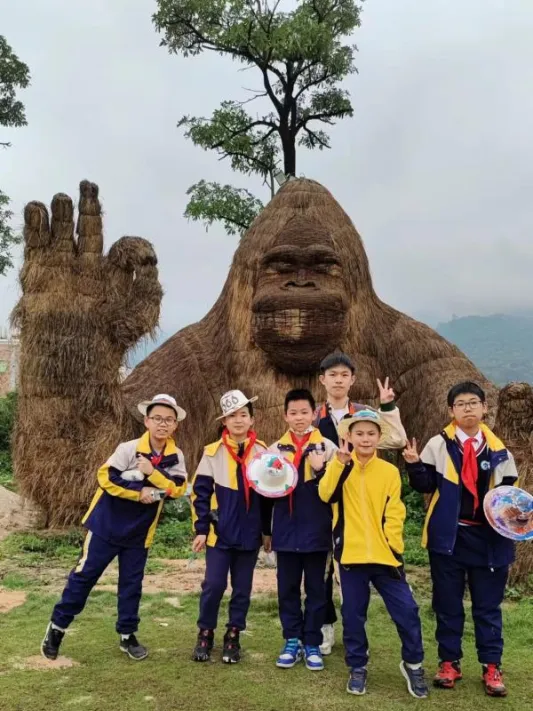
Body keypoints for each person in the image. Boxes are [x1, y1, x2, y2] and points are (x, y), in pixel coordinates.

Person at [41, 394, 188, 661]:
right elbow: (105, 477)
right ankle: (57, 628)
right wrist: (138, 492)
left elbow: (177, 489)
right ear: (146, 421)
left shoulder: (175, 456)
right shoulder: (128, 448)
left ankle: (127, 635)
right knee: (84, 577)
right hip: (106, 525)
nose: (162, 424)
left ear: (175, 425)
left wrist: (152, 474)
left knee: (131, 584)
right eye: (157, 418)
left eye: (169, 420)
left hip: (140, 532)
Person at [403, 381, 518, 697]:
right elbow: (424, 486)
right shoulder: (438, 445)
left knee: (488, 607)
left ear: (484, 408)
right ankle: (448, 663)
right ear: (451, 410)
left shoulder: (500, 451)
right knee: (447, 604)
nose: (468, 408)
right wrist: (413, 465)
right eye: (461, 404)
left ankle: (491, 666)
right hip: (449, 537)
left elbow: (510, 497)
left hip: (490, 540)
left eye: (473, 403)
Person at [319, 409, 429, 698]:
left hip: (386, 557)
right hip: (350, 557)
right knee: (353, 615)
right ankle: (357, 666)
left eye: (371, 433)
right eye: (359, 433)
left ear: (379, 437)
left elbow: (395, 511)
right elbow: (325, 494)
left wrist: (393, 545)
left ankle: (413, 664)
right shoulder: (339, 465)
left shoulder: (389, 471)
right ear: (349, 436)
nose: (365, 439)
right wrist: (338, 465)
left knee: (407, 611)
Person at [314, 351, 407, 655]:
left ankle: (354, 631)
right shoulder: (314, 416)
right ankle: (325, 627)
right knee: (322, 571)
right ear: (322, 380)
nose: (338, 380)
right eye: (332, 375)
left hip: (356, 505)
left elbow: (396, 440)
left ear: (353, 380)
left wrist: (387, 407)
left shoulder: (365, 412)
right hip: (322, 501)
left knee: (350, 573)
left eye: (344, 375)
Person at [190, 390, 270, 664]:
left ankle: (233, 634)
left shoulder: (263, 453)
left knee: (242, 588)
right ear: (224, 421)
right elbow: (200, 494)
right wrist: (202, 529)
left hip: (250, 534)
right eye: (232, 416)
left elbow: (269, 497)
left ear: (252, 419)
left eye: (243, 415)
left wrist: (267, 531)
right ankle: (205, 632)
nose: (238, 420)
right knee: (213, 585)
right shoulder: (212, 453)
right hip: (219, 534)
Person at [268, 388, 337, 672]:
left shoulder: (328, 448)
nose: (299, 418)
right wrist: (267, 531)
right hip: (285, 531)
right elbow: (265, 494)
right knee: (287, 589)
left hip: (318, 531)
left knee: (317, 590)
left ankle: (312, 642)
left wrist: (320, 469)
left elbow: (335, 491)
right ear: (285, 416)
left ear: (314, 414)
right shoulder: (274, 451)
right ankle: (292, 640)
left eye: (304, 412)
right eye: (293, 413)